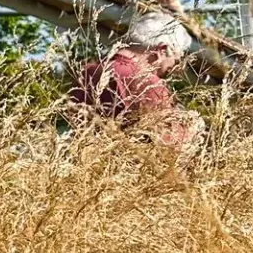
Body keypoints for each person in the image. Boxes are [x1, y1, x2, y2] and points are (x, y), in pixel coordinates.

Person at [67, 11, 201, 150]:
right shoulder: (147, 83)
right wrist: (191, 129)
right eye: (176, 59)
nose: (173, 67)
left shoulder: (88, 72)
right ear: (162, 50)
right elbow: (171, 148)